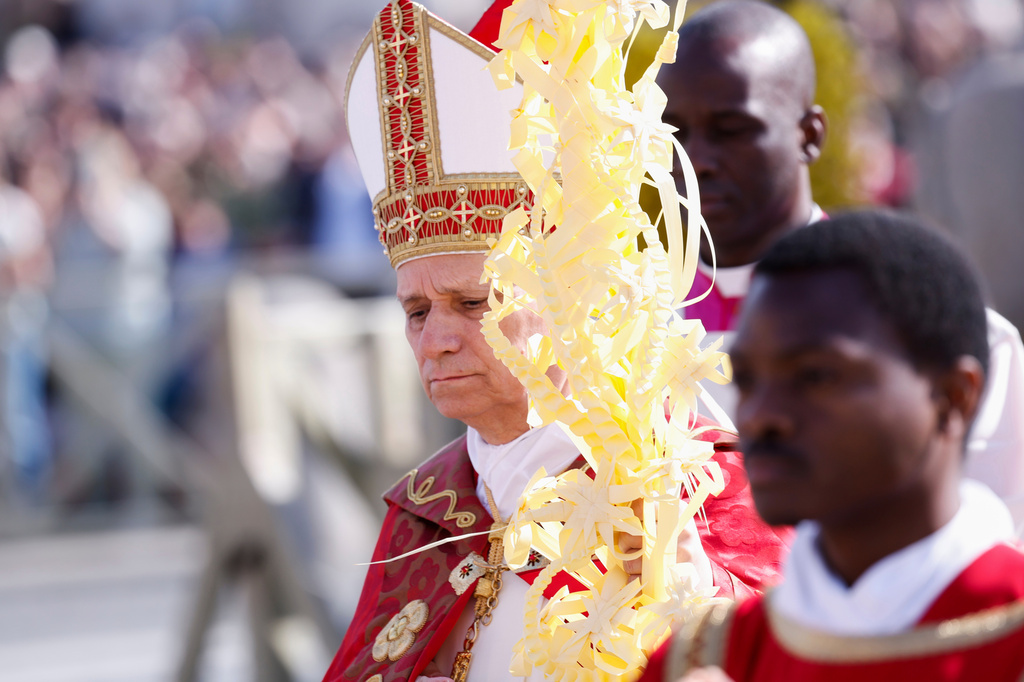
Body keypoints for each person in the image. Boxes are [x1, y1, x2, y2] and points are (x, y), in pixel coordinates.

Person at [324, 1, 790, 680]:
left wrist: (694, 597)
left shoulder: (688, 483)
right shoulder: (424, 512)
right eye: (417, 311)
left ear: (568, 295)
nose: (437, 341)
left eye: (473, 302)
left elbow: (781, 649)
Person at [657, 0, 1024, 534]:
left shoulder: (931, 330)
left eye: (732, 128)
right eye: (673, 132)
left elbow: (984, 560)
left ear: (810, 133)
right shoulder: (621, 335)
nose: (698, 159)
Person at [638, 210, 1024, 682]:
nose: (761, 414)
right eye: (749, 378)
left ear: (952, 396)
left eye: (816, 375)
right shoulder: (702, 657)